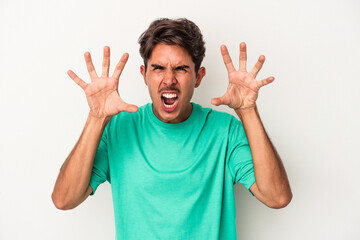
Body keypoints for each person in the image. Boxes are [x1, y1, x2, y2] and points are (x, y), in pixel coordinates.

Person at [52, 18, 292, 239]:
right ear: (144, 75)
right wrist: (96, 118)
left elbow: (277, 197)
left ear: (198, 77)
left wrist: (248, 111)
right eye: (158, 68)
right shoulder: (118, 129)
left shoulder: (225, 131)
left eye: (181, 69)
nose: (169, 80)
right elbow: (64, 199)